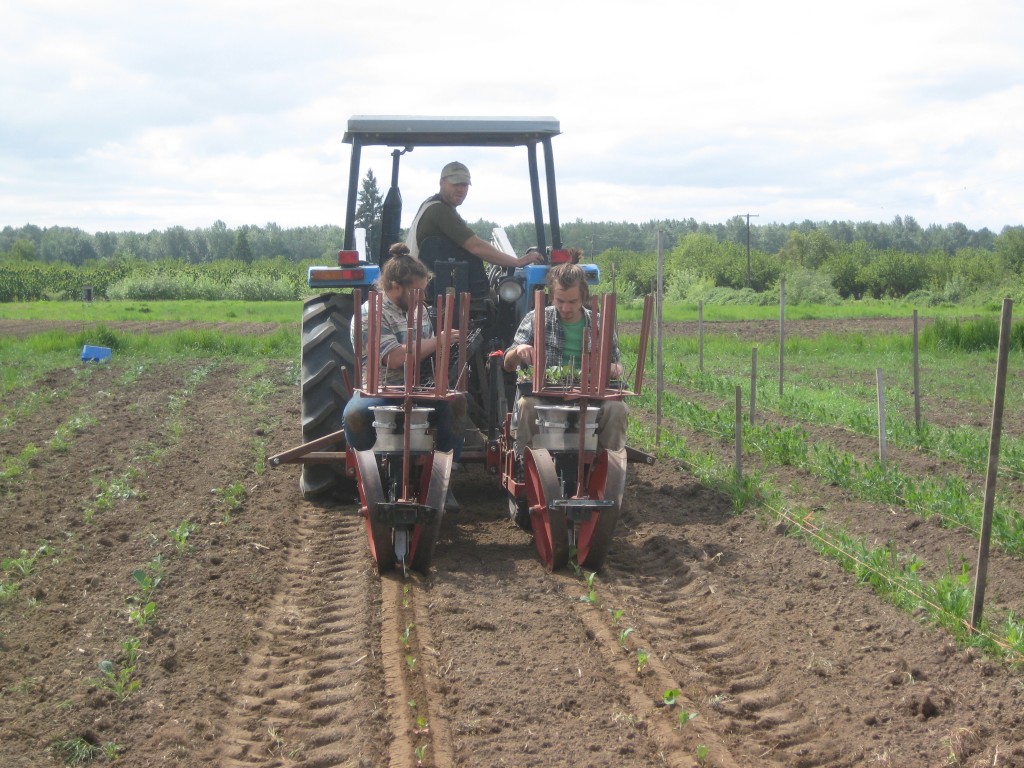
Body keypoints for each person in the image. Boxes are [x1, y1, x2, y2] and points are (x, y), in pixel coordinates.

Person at [343, 243, 466, 510]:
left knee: (455, 404)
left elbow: (423, 353)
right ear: (395, 287)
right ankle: (369, 477)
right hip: (377, 390)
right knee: (354, 415)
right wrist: (440, 340)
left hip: (417, 388)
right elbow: (396, 358)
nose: (422, 297)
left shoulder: (419, 311)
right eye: (417, 291)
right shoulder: (368, 314)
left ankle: (444, 478)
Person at [502, 262, 627, 455]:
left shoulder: (600, 323)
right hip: (545, 397)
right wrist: (519, 350)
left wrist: (614, 368)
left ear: (583, 297)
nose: (566, 307)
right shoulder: (536, 319)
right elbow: (508, 364)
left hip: (591, 397)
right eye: (560, 301)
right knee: (527, 405)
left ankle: (606, 464)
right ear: (552, 296)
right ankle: (525, 462)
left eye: (572, 302)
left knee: (617, 408)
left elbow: (617, 364)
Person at [407, 161, 544, 297]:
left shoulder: (430, 204)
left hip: (427, 285)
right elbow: (475, 247)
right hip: (427, 287)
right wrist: (517, 262)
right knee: (492, 297)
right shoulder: (439, 210)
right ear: (441, 183)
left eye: (464, 185)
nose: (460, 189)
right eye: (455, 184)